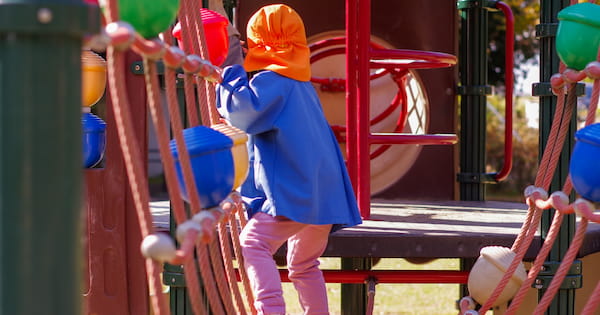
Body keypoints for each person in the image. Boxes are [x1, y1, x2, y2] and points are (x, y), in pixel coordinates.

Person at [216, 4, 362, 315]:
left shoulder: (273, 82)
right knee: (304, 264)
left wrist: (230, 67)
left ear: (260, 45)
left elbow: (243, 114)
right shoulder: (301, 83)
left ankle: (270, 310)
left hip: (300, 191)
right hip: (324, 194)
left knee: (254, 243)